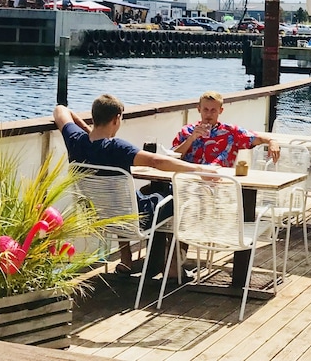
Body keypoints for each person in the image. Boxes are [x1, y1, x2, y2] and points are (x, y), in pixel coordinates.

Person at [54, 95, 216, 275]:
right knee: (184, 196)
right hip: (138, 218)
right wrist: (198, 169)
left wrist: (87, 130)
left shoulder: (75, 140)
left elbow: (60, 109)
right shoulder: (117, 148)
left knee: (130, 197)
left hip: (98, 216)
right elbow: (155, 161)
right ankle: (173, 265)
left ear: (94, 117)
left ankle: (127, 259)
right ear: (116, 119)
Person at [172, 91, 280, 167]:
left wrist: (272, 141)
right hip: (188, 180)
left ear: (220, 111)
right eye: (205, 109)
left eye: (213, 110)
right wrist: (191, 139)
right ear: (199, 109)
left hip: (218, 182)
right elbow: (172, 158)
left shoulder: (231, 132)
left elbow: (258, 138)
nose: (209, 114)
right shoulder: (186, 131)